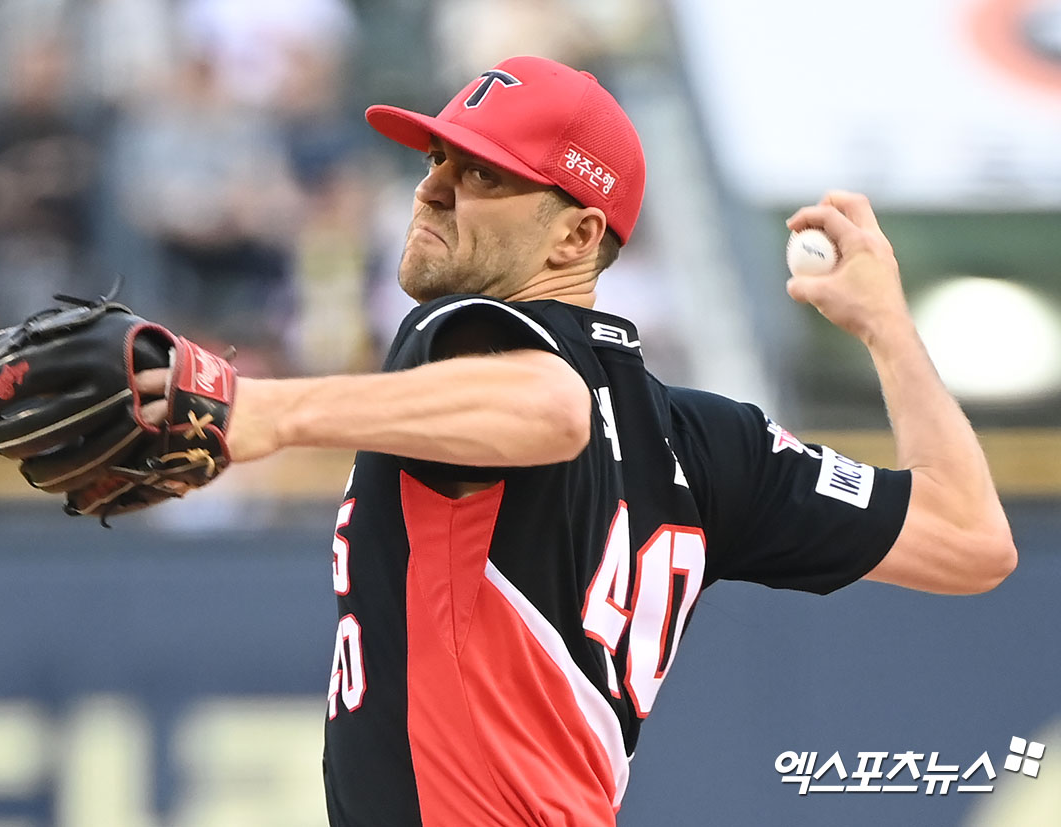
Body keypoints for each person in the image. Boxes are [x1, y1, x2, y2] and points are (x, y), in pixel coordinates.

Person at [138, 55, 1016, 825]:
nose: (433, 185)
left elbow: (551, 407)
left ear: (579, 233)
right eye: (438, 154)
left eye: (483, 173)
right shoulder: (713, 442)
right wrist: (889, 331)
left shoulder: (466, 331)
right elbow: (969, 537)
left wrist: (266, 412)